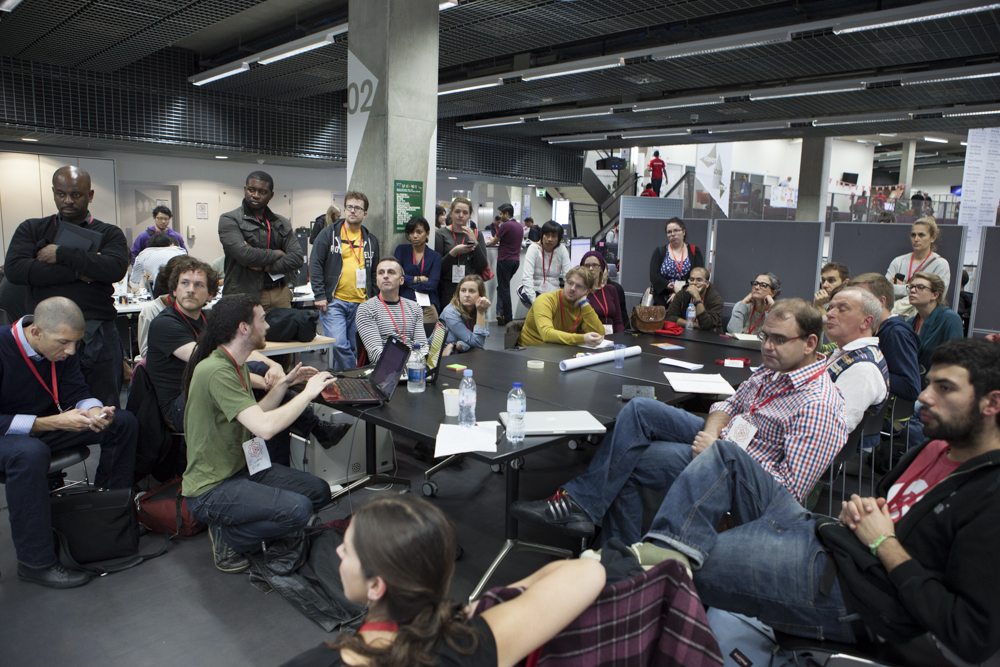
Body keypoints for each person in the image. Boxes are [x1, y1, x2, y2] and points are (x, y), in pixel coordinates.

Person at [618, 339, 1000, 665]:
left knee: (671, 566)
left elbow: (968, 634)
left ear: (992, 403)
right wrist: (862, 513)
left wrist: (885, 544)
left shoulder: (989, 495)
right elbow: (886, 509)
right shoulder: (933, 448)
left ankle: (633, 578)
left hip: (852, 593)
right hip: (827, 535)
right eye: (929, 383)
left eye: (945, 388)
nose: (923, 397)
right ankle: (655, 554)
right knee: (725, 457)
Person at [511, 299, 848, 541]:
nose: (768, 347)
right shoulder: (774, 371)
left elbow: (786, 494)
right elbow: (729, 403)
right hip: (720, 443)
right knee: (640, 409)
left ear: (810, 343)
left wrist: (724, 454)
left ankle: (613, 551)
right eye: (766, 337)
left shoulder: (818, 404)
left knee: (629, 458)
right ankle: (587, 512)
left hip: (737, 474)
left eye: (779, 339)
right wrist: (714, 434)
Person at [280, 495, 605, 667]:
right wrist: (470, 611)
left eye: (347, 550)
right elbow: (589, 571)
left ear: (376, 587)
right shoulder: (470, 644)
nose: (337, 550)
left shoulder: (324, 661)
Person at [181, 293, 336, 573]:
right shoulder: (217, 370)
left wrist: (283, 384)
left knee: (319, 491)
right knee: (299, 509)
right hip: (211, 489)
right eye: (262, 320)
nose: (267, 326)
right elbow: (265, 429)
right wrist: (309, 393)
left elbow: (257, 415)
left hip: (240, 470)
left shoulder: (232, 364)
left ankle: (250, 528)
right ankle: (229, 537)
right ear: (244, 328)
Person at [147, 257, 345, 462]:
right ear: (174, 290)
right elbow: (215, 368)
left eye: (198, 285)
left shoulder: (205, 320)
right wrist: (274, 383)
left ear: (210, 294)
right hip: (181, 408)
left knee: (266, 390)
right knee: (261, 379)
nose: (190, 290)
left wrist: (274, 364)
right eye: (184, 283)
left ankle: (277, 469)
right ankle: (314, 430)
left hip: (211, 393)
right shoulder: (165, 324)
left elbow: (238, 347)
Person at [0, 297, 137, 588]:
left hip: (43, 427)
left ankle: (110, 516)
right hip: (8, 434)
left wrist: (93, 411)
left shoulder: (61, 348)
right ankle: (35, 562)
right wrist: (52, 422)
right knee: (29, 453)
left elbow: (77, 390)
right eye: (64, 343)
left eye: (75, 343)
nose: (70, 351)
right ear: (36, 332)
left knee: (122, 423)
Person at [4, 166, 129, 407]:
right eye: (61, 194)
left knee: (105, 407)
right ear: (53, 193)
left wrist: (61, 253)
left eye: (76, 195)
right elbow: (17, 270)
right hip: (46, 334)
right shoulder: (31, 229)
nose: (68, 201)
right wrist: (81, 271)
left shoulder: (109, 232)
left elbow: (114, 268)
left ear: (90, 195)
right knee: (47, 405)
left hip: (98, 333)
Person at [311, 191, 380, 371]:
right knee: (339, 345)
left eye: (358, 208)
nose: (353, 211)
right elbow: (316, 264)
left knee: (354, 346)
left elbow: (373, 273)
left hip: (361, 303)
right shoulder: (329, 234)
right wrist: (319, 294)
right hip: (335, 301)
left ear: (365, 213)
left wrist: (375, 300)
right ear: (344, 209)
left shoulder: (371, 240)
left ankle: (341, 383)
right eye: (349, 207)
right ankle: (356, 378)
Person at [218, 171, 304, 312]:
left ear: (271, 195)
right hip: (244, 295)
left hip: (280, 293)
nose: (256, 195)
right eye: (251, 190)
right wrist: (278, 253)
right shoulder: (230, 219)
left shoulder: (281, 222)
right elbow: (246, 256)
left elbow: (297, 258)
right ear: (245, 189)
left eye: (262, 192)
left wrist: (267, 268)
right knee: (247, 334)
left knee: (284, 333)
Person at [823, 287, 890, 431]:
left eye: (842, 309)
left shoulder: (863, 368)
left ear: (866, 321)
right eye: (830, 308)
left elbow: (831, 426)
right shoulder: (843, 351)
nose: (829, 314)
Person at [850, 273, 921, 402]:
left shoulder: (896, 333)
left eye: (861, 298)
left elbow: (911, 387)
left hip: (886, 418)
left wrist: (866, 370)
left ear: (881, 301)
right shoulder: (877, 330)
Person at [356, 258, 427, 364]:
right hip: (384, 370)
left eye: (391, 272)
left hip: (414, 368)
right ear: (376, 280)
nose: (385, 276)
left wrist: (414, 362)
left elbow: (422, 346)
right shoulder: (366, 309)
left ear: (401, 280)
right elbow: (376, 355)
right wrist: (411, 360)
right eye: (381, 273)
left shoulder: (414, 307)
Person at [517, 267, 604, 348]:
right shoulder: (545, 300)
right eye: (570, 283)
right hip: (532, 350)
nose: (572, 288)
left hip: (560, 350)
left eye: (579, 286)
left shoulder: (581, 305)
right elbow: (546, 334)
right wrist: (582, 339)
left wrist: (585, 305)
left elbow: (599, 334)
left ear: (587, 291)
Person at [907, 272, 963, 374]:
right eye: (911, 286)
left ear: (935, 295)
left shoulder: (950, 319)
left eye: (920, 287)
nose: (912, 290)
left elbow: (956, 361)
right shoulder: (911, 322)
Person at [435, 197, 488, 307]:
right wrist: (453, 252)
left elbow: (482, 266)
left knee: (471, 321)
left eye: (465, 212)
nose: (461, 215)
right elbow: (438, 268)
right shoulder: (441, 234)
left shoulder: (476, 234)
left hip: (471, 287)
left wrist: (475, 242)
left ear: (469, 215)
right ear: (451, 213)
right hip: (449, 286)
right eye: (457, 211)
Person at [885, 218, 951, 302]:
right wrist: (917, 289)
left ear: (933, 238)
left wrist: (904, 287)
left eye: (921, 235)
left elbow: (936, 296)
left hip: (923, 314)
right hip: (896, 312)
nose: (916, 239)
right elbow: (885, 289)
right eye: (913, 235)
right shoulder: (898, 261)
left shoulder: (940, 264)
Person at [137, 255, 189, 358]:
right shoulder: (151, 310)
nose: (190, 289)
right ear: (169, 283)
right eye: (184, 283)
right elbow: (146, 352)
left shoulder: (200, 309)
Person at [393, 216, 442, 326]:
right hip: (404, 302)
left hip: (427, 304)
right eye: (411, 232)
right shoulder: (401, 250)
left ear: (427, 234)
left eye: (419, 232)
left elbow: (432, 285)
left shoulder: (435, 257)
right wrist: (419, 279)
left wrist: (408, 282)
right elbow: (396, 278)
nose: (414, 236)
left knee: (427, 339)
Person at [648, 218, 704, 307]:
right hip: (662, 298)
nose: (672, 234)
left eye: (676, 231)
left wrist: (680, 292)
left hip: (686, 297)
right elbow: (654, 276)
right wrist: (673, 287)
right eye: (669, 232)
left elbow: (699, 277)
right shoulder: (660, 251)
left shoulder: (694, 251)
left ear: (684, 232)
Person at [485, 203, 523, 326]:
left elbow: (494, 242)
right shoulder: (519, 226)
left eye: (501, 214)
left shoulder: (505, 225)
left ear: (507, 214)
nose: (500, 217)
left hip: (504, 260)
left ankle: (508, 317)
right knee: (502, 287)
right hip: (515, 261)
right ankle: (499, 313)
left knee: (504, 289)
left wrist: (488, 241)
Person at [519, 221, 571, 306]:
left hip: (554, 292)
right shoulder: (534, 249)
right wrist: (534, 302)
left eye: (554, 236)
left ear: (559, 238)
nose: (550, 239)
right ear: (542, 235)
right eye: (547, 235)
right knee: (544, 306)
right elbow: (527, 277)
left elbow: (568, 275)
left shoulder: (562, 249)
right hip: (534, 291)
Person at [440, 275, 490, 356]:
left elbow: (478, 343)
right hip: (443, 354)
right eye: (463, 290)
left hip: (459, 350)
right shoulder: (450, 312)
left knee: (479, 352)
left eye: (472, 291)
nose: (466, 295)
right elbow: (477, 342)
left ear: (480, 295)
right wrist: (456, 346)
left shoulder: (482, 307)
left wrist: (456, 345)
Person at [664, 267, 724, 331]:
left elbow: (706, 324)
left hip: (709, 337)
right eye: (692, 280)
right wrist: (694, 324)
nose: (694, 283)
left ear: (707, 284)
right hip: (686, 333)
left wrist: (697, 297)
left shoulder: (716, 299)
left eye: (699, 280)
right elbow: (669, 317)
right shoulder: (682, 293)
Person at [580, 251, 624, 334]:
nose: (591, 268)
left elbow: (618, 321)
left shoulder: (611, 289)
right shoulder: (580, 292)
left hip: (612, 338)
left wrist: (619, 339)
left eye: (595, 265)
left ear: (601, 268)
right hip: (590, 338)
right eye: (587, 265)